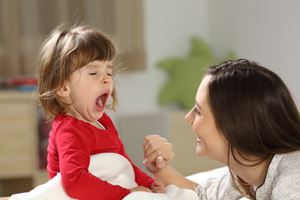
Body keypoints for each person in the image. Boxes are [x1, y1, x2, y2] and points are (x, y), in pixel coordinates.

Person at [34, 25, 161, 200]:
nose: (106, 78)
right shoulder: (69, 129)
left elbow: (124, 165)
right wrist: (127, 194)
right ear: (63, 87)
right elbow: (75, 182)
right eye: (93, 72)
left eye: (109, 72)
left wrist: (149, 184)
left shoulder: (105, 123)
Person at [143, 59, 300, 199]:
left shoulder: (292, 180)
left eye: (198, 110)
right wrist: (161, 170)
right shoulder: (246, 175)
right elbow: (202, 194)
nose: (188, 118)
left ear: (235, 123)